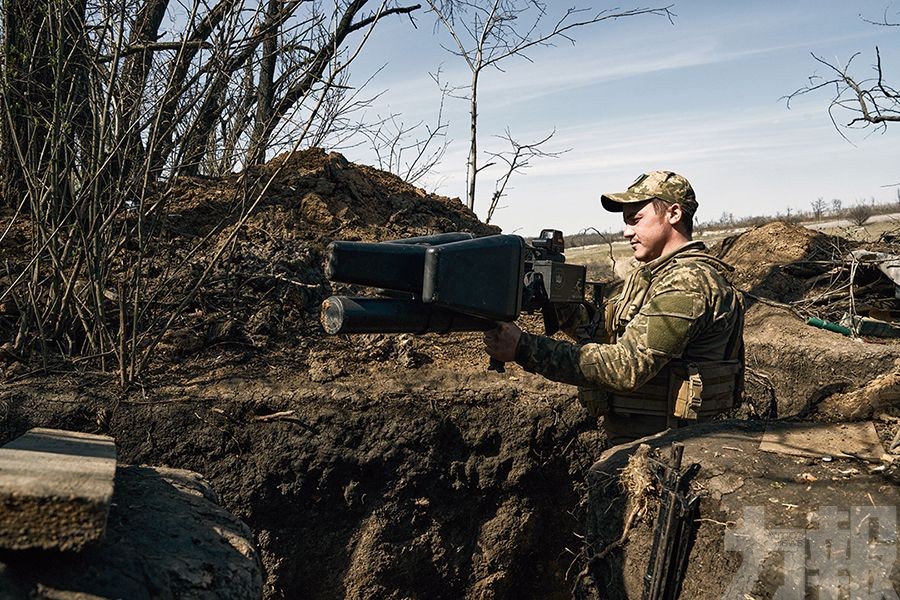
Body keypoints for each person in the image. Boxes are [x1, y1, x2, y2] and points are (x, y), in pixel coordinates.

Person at [483, 171, 744, 445]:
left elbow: (627, 366)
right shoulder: (654, 275)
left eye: (636, 220)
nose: (627, 231)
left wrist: (523, 347)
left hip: (672, 445)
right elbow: (604, 331)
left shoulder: (687, 282)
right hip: (649, 437)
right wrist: (560, 305)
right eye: (626, 222)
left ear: (674, 213)